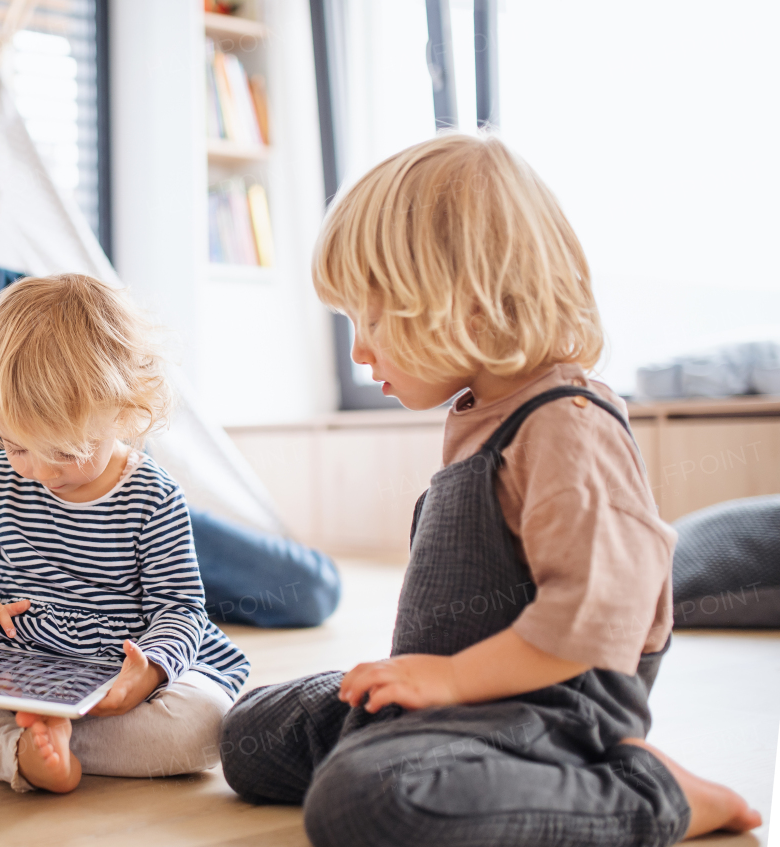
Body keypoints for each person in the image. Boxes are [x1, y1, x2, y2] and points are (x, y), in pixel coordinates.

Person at [217, 134, 762, 845]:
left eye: (374, 317)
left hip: (548, 710)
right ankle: (408, 745)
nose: (358, 349)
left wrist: (446, 680)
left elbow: (596, 622)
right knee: (249, 735)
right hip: (463, 698)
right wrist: (426, 683)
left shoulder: (566, 426)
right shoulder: (484, 413)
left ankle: (649, 793)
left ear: (465, 303)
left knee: (361, 804)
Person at [0, 129, 341, 631]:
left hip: (111, 529)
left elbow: (118, 419)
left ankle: (140, 608)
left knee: (310, 587)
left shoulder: (47, 306)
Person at [0, 273, 249, 793]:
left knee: (206, 725)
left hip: (113, 674)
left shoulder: (153, 496)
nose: (44, 474)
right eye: (18, 446)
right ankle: (20, 747)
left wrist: (151, 673)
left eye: (67, 452)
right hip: (16, 663)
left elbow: (180, 609)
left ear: (125, 409)